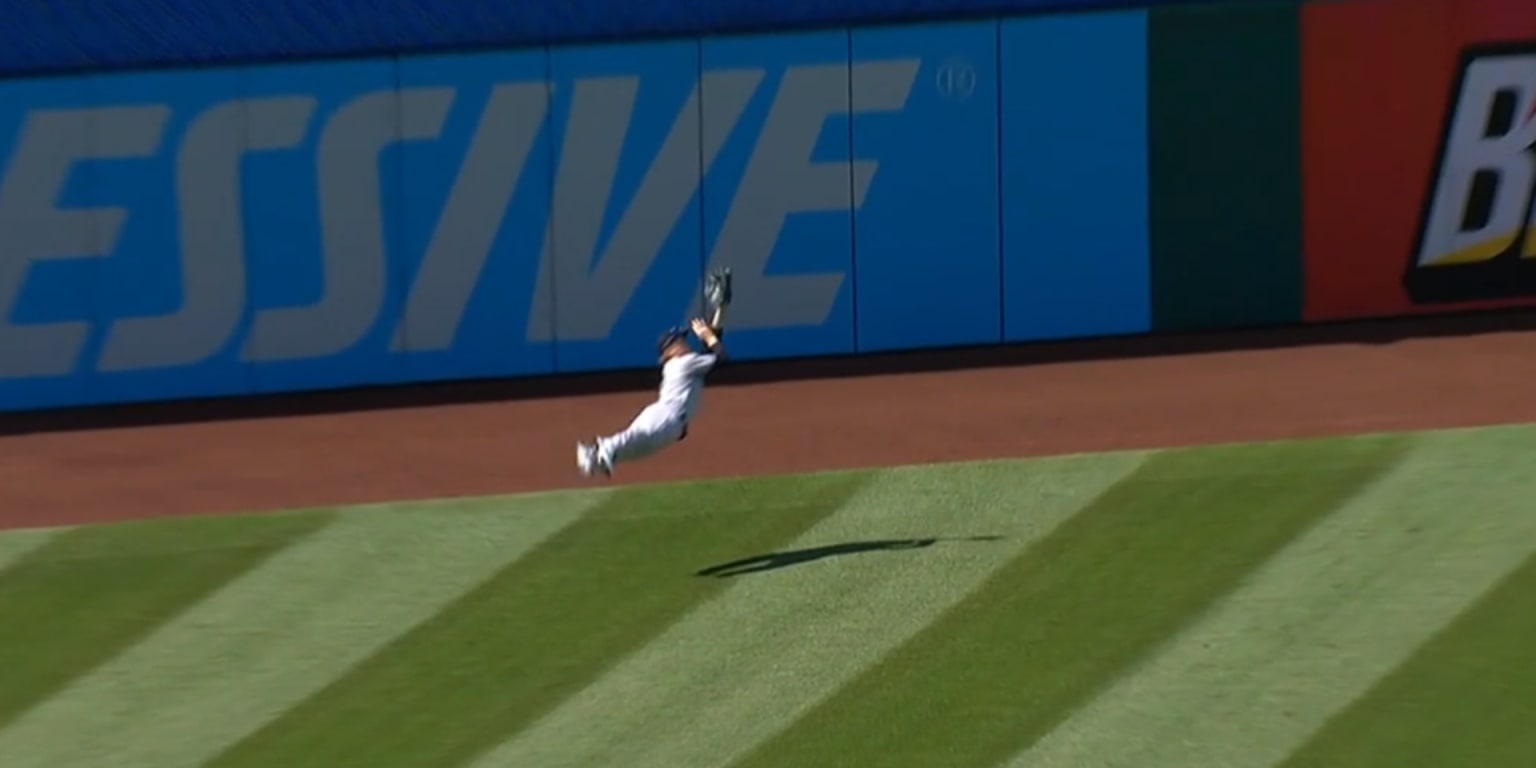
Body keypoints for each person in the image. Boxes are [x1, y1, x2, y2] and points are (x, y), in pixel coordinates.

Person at [576, 270, 731, 478]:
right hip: (666, 416)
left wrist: (722, 309)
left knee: (635, 447)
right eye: (680, 340)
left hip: (670, 422)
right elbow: (721, 358)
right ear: (670, 350)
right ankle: (599, 450)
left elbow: (712, 347)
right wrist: (707, 333)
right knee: (633, 438)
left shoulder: (687, 363)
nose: (685, 342)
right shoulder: (682, 364)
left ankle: (595, 458)